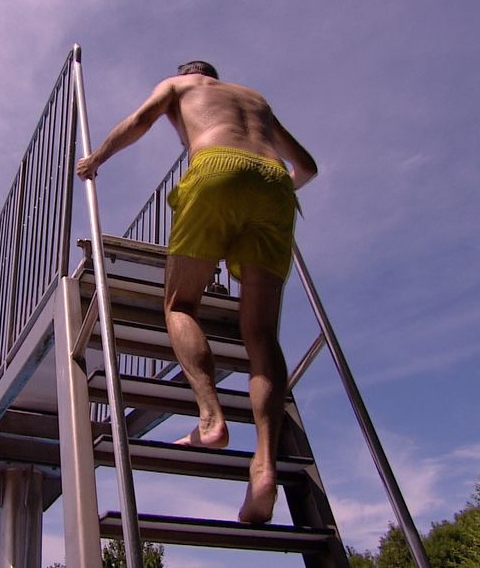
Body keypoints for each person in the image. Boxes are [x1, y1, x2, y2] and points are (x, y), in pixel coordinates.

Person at [76, 60, 317, 524]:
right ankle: (264, 467)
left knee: (180, 304)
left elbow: (140, 120)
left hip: (215, 170)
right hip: (274, 184)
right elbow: (305, 167)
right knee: (262, 334)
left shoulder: (180, 84)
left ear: (190, 73)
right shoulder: (255, 98)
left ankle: (210, 420)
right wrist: (268, 184)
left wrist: (97, 159)